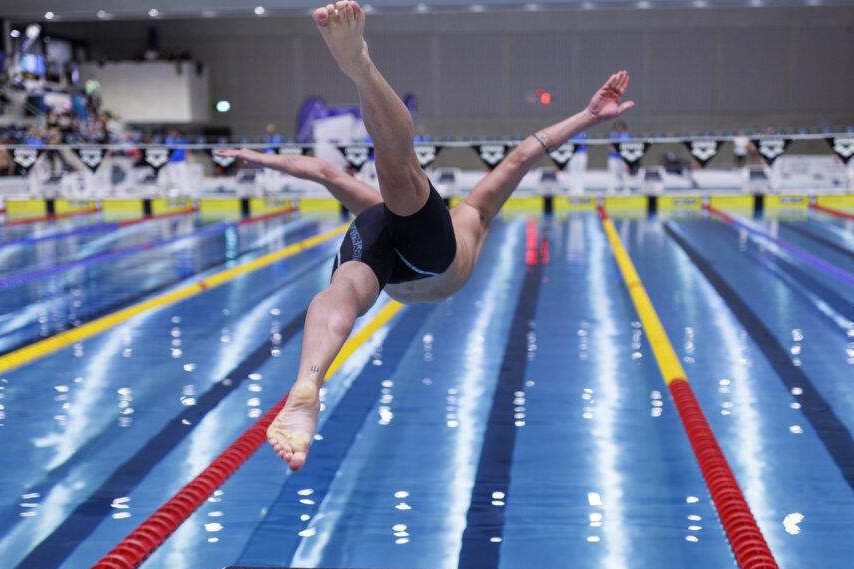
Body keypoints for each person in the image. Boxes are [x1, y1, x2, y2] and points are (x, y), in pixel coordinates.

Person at [218, 0, 633, 471]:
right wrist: (588, 116)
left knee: (348, 280)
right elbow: (524, 155)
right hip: (431, 260)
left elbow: (323, 172)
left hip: (392, 261)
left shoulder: (433, 213)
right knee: (396, 171)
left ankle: (310, 378)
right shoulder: (473, 213)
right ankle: (360, 66)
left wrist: (263, 158)